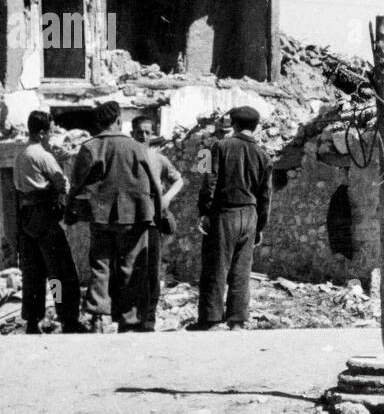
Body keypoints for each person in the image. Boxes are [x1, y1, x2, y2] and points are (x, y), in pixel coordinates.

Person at [66, 101, 165, 333]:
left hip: (100, 217)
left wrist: (69, 211)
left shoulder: (90, 147)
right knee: (131, 267)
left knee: (101, 265)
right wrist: (158, 215)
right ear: (119, 121)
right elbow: (154, 185)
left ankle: (99, 317)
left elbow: (76, 184)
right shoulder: (137, 147)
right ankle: (129, 321)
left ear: (99, 123)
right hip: (135, 216)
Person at [190, 106, 272, 330]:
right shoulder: (264, 155)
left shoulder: (218, 147)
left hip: (225, 213)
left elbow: (209, 181)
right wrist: (260, 225)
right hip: (250, 214)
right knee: (241, 269)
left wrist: (204, 211)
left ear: (233, 124)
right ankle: (237, 320)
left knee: (216, 266)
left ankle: (211, 319)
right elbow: (265, 195)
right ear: (255, 127)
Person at [13, 110, 83, 334]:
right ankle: (67, 319)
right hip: (44, 215)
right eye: (50, 132)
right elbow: (62, 184)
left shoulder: (21, 155)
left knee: (32, 272)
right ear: (42, 132)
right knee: (60, 272)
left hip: (26, 218)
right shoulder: (43, 155)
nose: (51, 136)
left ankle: (32, 321)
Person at [131, 116, 185, 332]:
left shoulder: (159, 159)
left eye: (148, 132)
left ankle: (148, 319)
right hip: (131, 222)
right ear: (132, 133)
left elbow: (178, 180)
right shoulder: (127, 157)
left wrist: (167, 198)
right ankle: (130, 318)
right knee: (131, 271)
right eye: (139, 132)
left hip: (152, 222)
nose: (144, 136)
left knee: (152, 272)